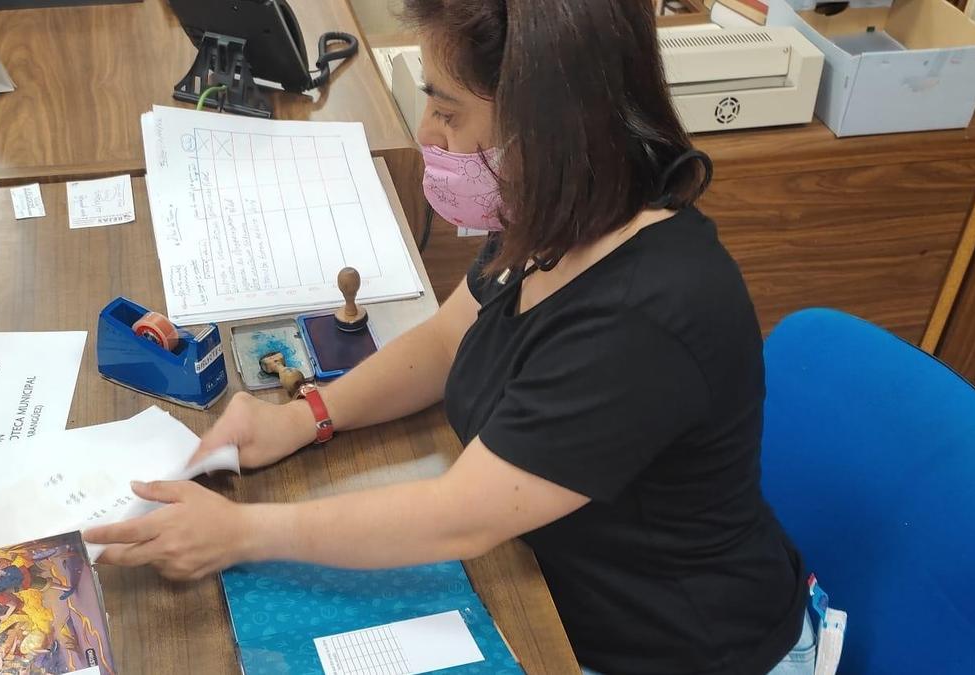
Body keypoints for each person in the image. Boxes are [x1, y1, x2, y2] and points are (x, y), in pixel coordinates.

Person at [85, 1, 814, 672]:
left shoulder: (646, 312)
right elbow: (445, 341)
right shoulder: (562, 214)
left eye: (448, 109)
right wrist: (305, 416)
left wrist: (241, 533)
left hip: (676, 650)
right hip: (551, 579)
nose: (430, 133)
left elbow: (455, 518)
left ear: (552, 123)